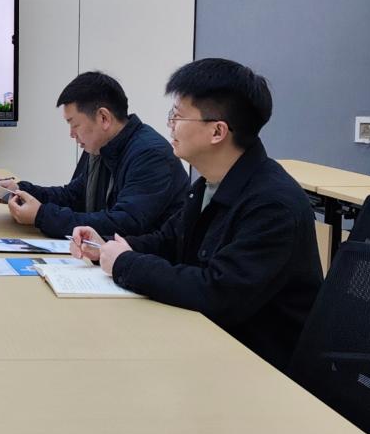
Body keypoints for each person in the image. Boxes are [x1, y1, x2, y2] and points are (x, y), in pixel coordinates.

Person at [70, 58, 323, 370]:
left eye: (178, 116)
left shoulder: (273, 206)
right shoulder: (209, 184)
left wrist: (125, 263)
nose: (170, 125)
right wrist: (105, 246)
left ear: (217, 131)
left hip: (258, 366)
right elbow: (168, 241)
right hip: (208, 343)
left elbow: (216, 292)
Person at [0, 71, 188, 238]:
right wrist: (20, 190)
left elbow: (124, 224)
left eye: (74, 124)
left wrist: (41, 216)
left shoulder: (150, 154)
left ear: (103, 118)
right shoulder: (101, 147)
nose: (71, 134)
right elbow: (73, 196)